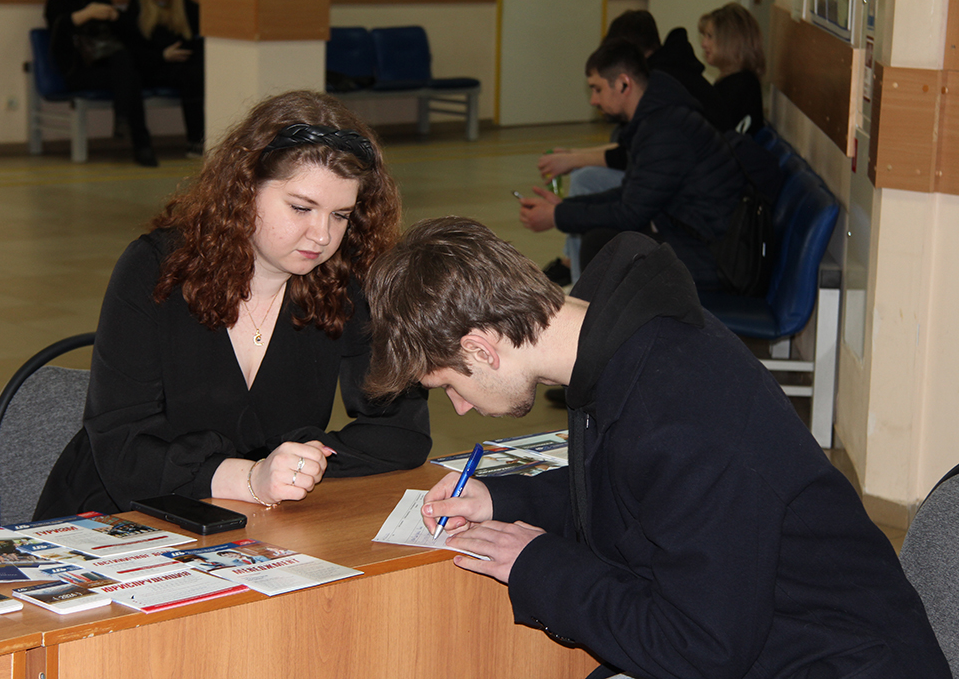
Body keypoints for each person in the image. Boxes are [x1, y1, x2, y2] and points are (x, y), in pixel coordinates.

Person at [362, 216, 951, 679]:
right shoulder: (617, 339)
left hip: (837, 662)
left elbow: (699, 650)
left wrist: (538, 566)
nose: (460, 407)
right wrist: (503, 499)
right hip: (772, 642)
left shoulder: (678, 411)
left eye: (450, 385)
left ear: (481, 349)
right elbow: (635, 496)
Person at [34, 91, 432, 519]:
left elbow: (401, 432)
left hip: (256, 520)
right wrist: (250, 478)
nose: (322, 235)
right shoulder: (155, 269)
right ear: (244, 190)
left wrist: (299, 466)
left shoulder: (346, 281)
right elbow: (121, 445)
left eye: (341, 215)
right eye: (301, 208)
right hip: (122, 511)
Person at [520, 39, 745, 290]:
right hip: (692, 236)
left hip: (713, 257)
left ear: (624, 83)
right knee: (601, 238)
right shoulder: (657, 119)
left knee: (600, 243)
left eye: (597, 89)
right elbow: (630, 194)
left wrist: (556, 216)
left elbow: (630, 213)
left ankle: (590, 313)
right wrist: (565, 208)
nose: (593, 100)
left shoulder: (665, 130)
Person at [44, 0, 159, 166]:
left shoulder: (101, 1)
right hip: (77, 72)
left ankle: (123, 120)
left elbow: (132, 36)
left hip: (108, 69)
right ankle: (140, 143)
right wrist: (85, 14)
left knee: (127, 67)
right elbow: (57, 33)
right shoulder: (57, 3)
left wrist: (116, 17)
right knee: (130, 79)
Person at [122, 0, 204, 155]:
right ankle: (194, 140)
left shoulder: (186, 6)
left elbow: (197, 44)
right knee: (190, 77)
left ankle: (196, 140)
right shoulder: (138, 7)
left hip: (182, 67)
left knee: (194, 76)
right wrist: (162, 56)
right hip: (150, 69)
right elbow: (133, 50)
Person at [699, 2, 766, 135]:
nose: (703, 44)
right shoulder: (733, 82)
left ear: (730, 40)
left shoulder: (741, 86)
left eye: (710, 36)